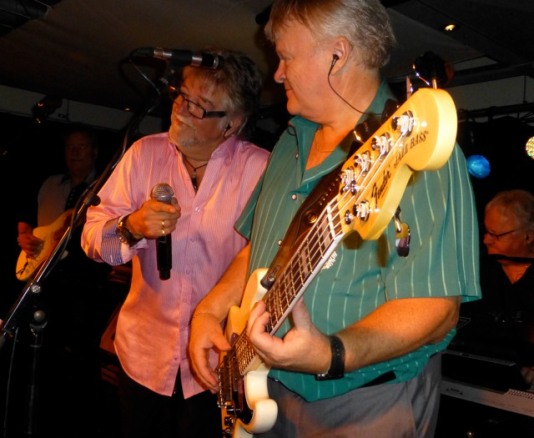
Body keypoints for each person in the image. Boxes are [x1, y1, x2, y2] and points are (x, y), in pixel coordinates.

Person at [188, 1, 481, 437]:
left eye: (286, 57)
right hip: (265, 388)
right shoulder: (288, 144)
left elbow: (436, 308)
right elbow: (259, 252)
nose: (277, 74)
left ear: (337, 55)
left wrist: (333, 353)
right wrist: (208, 312)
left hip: (363, 403)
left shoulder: (416, 150)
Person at [81, 48, 270, 438]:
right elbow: (90, 237)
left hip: (217, 360)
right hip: (143, 356)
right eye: (182, 96)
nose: (182, 110)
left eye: (199, 106)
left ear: (232, 123)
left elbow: (270, 261)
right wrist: (132, 226)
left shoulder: (260, 170)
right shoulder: (143, 154)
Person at [15, 122, 113, 437]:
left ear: (94, 152)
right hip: (43, 282)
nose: (74, 153)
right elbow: (26, 218)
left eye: (81, 147)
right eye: (70, 147)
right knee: (41, 355)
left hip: (82, 287)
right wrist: (24, 236)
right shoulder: (50, 184)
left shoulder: (103, 191)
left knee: (78, 360)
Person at [459, 189, 534, 386]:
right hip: (471, 379)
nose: (486, 240)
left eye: (496, 235)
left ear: (528, 236)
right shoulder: (476, 271)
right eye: (486, 231)